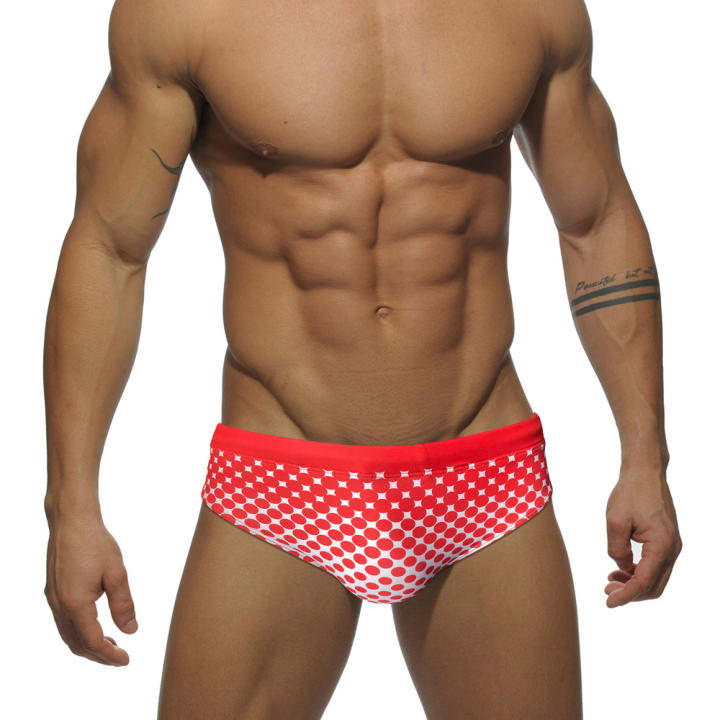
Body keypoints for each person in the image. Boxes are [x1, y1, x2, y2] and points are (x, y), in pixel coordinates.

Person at [42, 0, 682, 717]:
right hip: (281, 477)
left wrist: (645, 458)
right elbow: (109, 250)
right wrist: (72, 507)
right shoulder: (189, 12)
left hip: (484, 471)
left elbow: (596, 222)